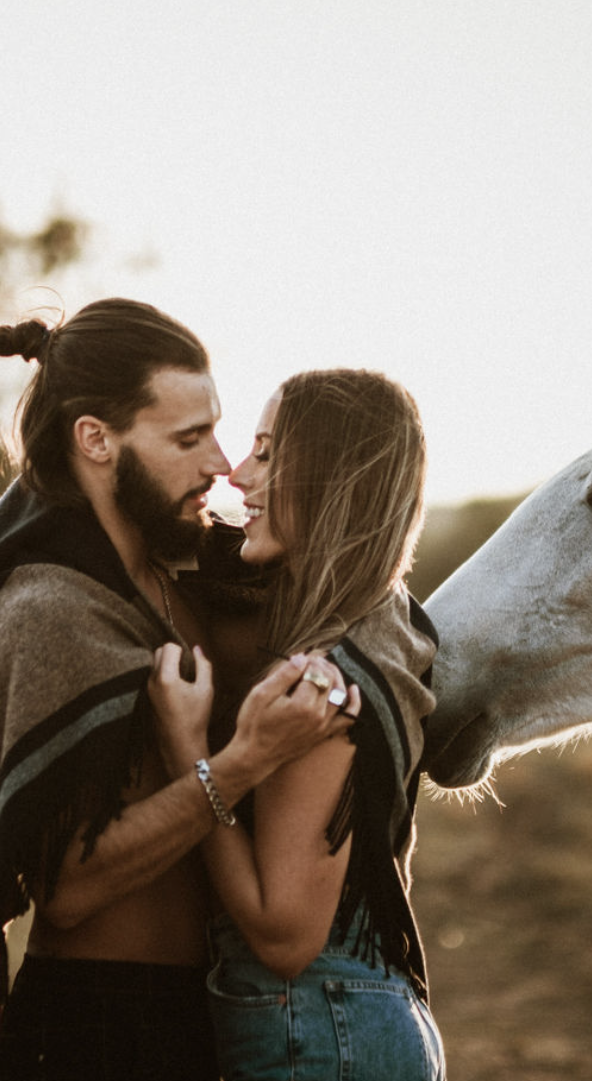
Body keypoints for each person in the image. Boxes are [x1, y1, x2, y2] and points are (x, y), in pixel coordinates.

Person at [0, 299, 358, 1081]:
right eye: (188, 439)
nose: (220, 464)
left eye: (217, 432)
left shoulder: (176, 579)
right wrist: (241, 763)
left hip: (203, 1012)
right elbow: (68, 893)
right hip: (97, 1027)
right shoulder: (48, 611)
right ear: (95, 439)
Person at [150, 368, 445, 1081]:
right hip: (356, 1019)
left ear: (332, 479)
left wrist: (189, 751)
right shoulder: (387, 627)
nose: (241, 476)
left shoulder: (318, 686)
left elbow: (284, 934)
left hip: (317, 1030)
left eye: (268, 452)